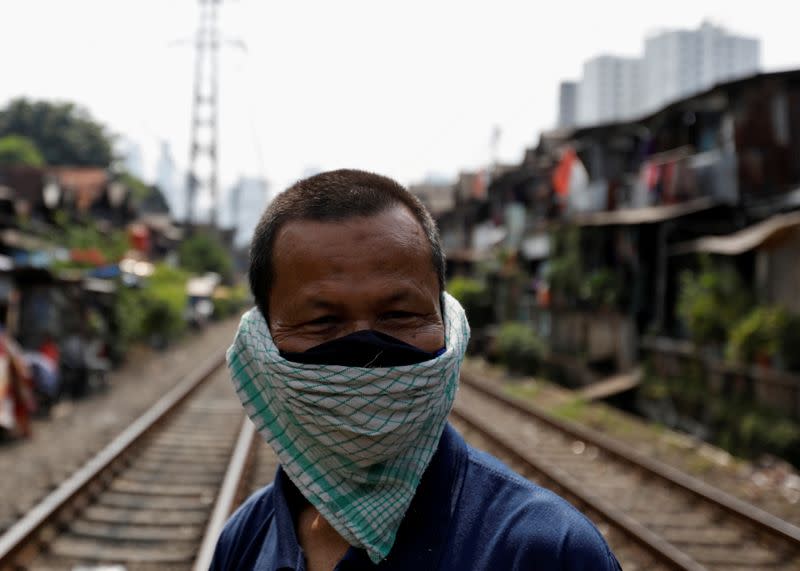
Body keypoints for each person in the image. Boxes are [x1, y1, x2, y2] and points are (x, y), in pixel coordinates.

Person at [213, 170, 620, 570]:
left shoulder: (547, 552)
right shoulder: (245, 540)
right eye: (322, 322)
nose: (365, 351)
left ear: (446, 321)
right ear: (261, 338)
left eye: (400, 314)